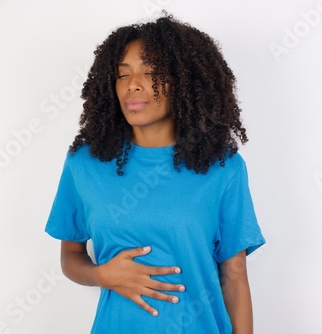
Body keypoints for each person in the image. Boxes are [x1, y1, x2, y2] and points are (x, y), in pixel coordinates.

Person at [45, 14, 265, 334]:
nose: (133, 84)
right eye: (122, 75)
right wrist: (102, 275)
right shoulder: (85, 164)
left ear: (183, 81)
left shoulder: (222, 168)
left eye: (149, 73)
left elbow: (233, 276)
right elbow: (71, 255)